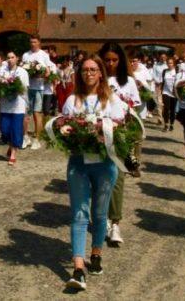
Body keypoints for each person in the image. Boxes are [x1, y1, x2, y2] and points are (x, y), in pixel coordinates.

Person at [63, 55, 126, 291]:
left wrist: (106, 130)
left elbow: (121, 129)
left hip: (105, 163)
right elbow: (63, 129)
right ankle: (78, 269)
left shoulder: (112, 100)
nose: (89, 73)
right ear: (80, 74)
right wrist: (68, 132)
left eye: (93, 69)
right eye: (85, 70)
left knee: (99, 215)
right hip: (79, 162)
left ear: (101, 73)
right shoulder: (71, 100)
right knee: (79, 215)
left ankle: (96, 253)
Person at [99, 42, 141, 246]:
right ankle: (102, 218)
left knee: (117, 178)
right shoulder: (95, 77)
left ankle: (115, 222)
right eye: (107, 60)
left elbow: (135, 111)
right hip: (97, 133)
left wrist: (133, 140)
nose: (110, 64)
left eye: (114, 60)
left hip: (120, 134)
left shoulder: (129, 82)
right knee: (99, 178)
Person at [21, 34, 52, 150]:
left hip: (39, 88)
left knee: (36, 114)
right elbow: (22, 69)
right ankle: (25, 137)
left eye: (34, 42)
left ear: (39, 43)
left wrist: (39, 73)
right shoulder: (25, 55)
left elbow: (48, 72)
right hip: (27, 88)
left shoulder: (44, 55)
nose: (32, 44)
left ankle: (37, 139)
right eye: (31, 42)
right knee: (25, 115)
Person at [0, 51, 29, 165]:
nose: (10, 59)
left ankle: (13, 154)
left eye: (12, 57)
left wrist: (26, 107)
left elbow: (25, 90)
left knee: (16, 129)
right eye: (8, 57)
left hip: (18, 105)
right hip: (5, 105)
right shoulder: (2, 71)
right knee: (5, 130)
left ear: (17, 59)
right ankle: (11, 145)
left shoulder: (23, 72)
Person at [161, 58, 178, 131]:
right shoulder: (165, 71)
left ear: (174, 64)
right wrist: (161, 90)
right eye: (168, 63)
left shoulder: (177, 71)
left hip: (174, 93)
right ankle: (166, 124)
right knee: (166, 108)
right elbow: (163, 81)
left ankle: (172, 124)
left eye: (171, 63)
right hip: (166, 92)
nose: (169, 65)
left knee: (172, 109)